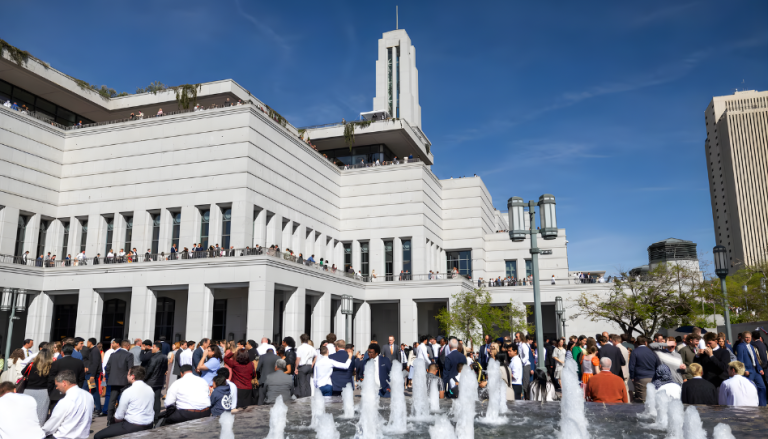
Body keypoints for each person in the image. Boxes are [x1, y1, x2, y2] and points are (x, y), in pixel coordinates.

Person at [94, 366, 155, 438]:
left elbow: (119, 416)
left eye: (128, 374)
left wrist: (113, 420)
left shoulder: (129, 391)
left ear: (132, 376)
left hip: (133, 426)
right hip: (149, 424)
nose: (127, 376)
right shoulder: (150, 389)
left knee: (97, 436)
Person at [42, 370, 94, 439]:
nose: (56, 388)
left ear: (64, 383)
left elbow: (50, 427)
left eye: (57, 385)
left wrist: (40, 432)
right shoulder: (88, 395)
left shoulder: (65, 401)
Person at [48, 344, 86, 410]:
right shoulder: (79, 363)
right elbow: (81, 378)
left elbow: (51, 378)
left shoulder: (56, 363)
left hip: (57, 392)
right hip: (73, 392)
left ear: (62, 352)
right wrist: (78, 388)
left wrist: (50, 391)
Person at [105, 339, 134, 424]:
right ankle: (121, 417)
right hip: (124, 381)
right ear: (128, 346)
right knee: (123, 400)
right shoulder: (129, 355)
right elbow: (130, 368)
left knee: (112, 400)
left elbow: (108, 367)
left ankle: (109, 419)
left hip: (113, 380)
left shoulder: (113, 354)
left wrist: (111, 376)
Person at [23, 346, 54, 426]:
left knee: (27, 412)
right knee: (41, 414)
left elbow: (23, 372)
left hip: (28, 391)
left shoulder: (31, 365)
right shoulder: (50, 367)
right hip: (43, 392)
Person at [734, 331, 766, 406]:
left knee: (762, 387)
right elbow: (740, 361)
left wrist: (760, 368)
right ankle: (750, 406)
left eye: (749, 337)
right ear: (743, 338)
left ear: (751, 337)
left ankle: (763, 406)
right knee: (748, 390)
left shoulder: (751, 346)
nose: (748, 339)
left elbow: (755, 359)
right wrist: (744, 370)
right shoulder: (740, 346)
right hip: (748, 371)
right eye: (746, 337)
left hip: (756, 370)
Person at [140, 341, 168, 423]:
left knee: (148, 399)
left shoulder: (153, 358)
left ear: (157, 348)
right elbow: (165, 369)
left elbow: (149, 370)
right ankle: (156, 416)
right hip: (159, 381)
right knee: (157, 399)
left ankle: (148, 415)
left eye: (153, 347)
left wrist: (144, 379)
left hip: (151, 381)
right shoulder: (164, 357)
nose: (152, 348)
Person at [629, 335, 661, 403]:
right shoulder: (652, 352)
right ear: (646, 342)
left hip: (640, 378)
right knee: (652, 399)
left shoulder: (635, 352)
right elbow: (658, 365)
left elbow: (632, 366)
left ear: (637, 343)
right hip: (653, 378)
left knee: (643, 400)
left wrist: (632, 376)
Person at [294, 333, 315, 398]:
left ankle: (303, 398)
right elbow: (316, 355)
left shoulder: (300, 348)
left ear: (301, 340)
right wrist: (313, 363)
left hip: (302, 366)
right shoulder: (311, 347)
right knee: (308, 383)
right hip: (309, 366)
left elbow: (298, 358)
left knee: (302, 384)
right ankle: (308, 397)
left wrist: (296, 368)